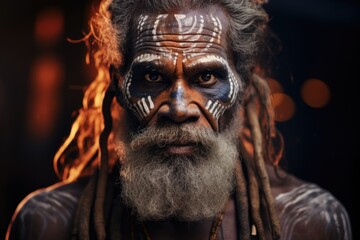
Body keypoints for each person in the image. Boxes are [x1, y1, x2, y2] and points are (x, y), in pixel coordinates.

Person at [6, 0, 352, 239]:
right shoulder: (48, 223)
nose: (179, 107)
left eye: (206, 79)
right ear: (119, 84)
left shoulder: (309, 222)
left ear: (243, 86)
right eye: (153, 77)